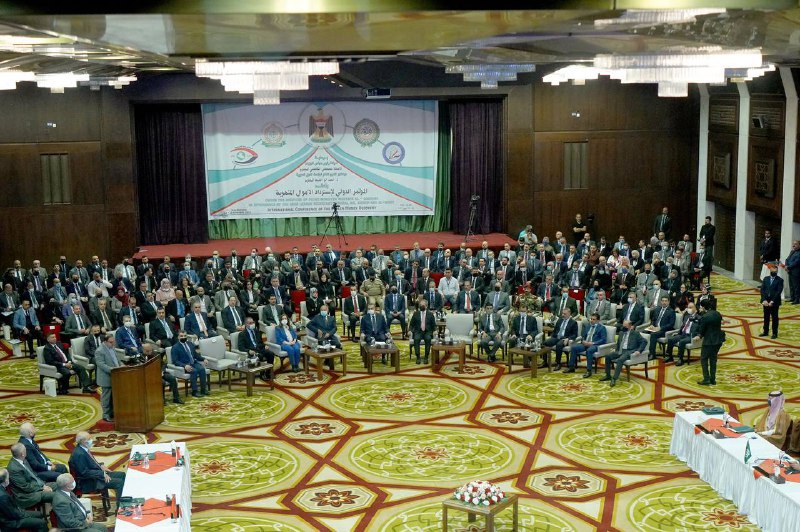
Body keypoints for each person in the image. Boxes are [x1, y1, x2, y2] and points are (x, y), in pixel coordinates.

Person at [69, 431, 126, 507]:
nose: (91, 440)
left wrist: (100, 466)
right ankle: (121, 506)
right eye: (89, 439)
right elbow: (84, 472)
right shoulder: (79, 454)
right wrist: (102, 474)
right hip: (89, 481)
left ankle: (122, 499)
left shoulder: (83, 448)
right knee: (119, 483)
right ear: (82, 441)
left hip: (96, 474)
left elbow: (90, 464)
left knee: (122, 475)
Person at [6, 443, 56, 508]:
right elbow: (25, 487)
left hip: (35, 485)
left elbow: (33, 475)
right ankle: (55, 513)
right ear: (22, 454)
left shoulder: (23, 459)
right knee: (56, 496)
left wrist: (43, 485)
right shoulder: (13, 469)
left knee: (61, 485)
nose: (26, 451)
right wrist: (42, 488)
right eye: (25, 450)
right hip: (26, 495)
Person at [599, 320, 647, 387]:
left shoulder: (635, 333)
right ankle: (608, 375)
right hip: (620, 350)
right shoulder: (621, 333)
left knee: (620, 360)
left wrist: (639, 351)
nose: (623, 327)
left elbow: (644, 341)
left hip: (628, 351)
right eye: (623, 326)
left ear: (630, 326)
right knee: (608, 356)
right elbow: (619, 343)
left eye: (625, 326)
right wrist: (616, 350)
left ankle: (614, 379)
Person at [0, 468, 48, 532]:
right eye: (8, 478)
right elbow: (13, 514)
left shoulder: (2, 489)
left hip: (13, 514)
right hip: (10, 523)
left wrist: (22, 512)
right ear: (5, 480)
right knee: (42, 523)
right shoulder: (3, 496)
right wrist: (25, 514)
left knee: (39, 514)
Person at [694, 299, 724, 386]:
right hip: (718, 340)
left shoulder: (705, 317)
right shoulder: (717, 313)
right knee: (713, 359)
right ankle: (713, 379)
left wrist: (699, 336)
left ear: (703, 307)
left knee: (704, 359)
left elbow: (702, 330)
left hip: (709, 341)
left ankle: (706, 378)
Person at [566, 312, 607, 377]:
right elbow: (583, 336)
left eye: (594, 319)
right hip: (585, 343)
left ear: (598, 320)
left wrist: (592, 343)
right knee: (574, 348)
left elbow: (603, 340)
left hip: (594, 345)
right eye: (591, 319)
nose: (592, 321)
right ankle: (571, 367)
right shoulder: (588, 326)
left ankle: (589, 371)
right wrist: (583, 341)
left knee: (589, 351)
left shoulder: (602, 328)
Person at [171, 331, 210, 397]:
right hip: (184, 365)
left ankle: (203, 389)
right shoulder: (175, 347)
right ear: (178, 337)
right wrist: (184, 366)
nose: (183, 337)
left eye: (185, 336)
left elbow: (196, 355)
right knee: (194, 371)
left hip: (193, 362)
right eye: (181, 336)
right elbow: (175, 361)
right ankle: (194, 391)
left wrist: (203, 359)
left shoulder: (190, 344)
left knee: (202, 369)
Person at [94, 334, 121, 421]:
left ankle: (112, 412)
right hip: (106, 378)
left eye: (113, 342)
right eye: (111, 342)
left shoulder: (112, 347)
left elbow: (116, 360)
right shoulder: (99, 351)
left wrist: (121, 366)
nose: (113, 344)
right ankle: (105, 415)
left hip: (115, 376)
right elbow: (101, 364)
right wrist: (113, 370)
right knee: (106, 397)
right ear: (105, 342)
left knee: (113, 396)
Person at [645, 296, 676, 360]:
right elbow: (654, 319)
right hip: (655, 328)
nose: (664, 302)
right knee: (644, 332)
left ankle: (652, 354)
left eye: (666, 301)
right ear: (661, 302)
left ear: (668, 302)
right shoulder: (657, 309)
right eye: (663, 301)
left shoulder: (671, 311)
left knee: (653, 335)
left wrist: (660, 328)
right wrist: (652, 325)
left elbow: (671, 324)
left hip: (665, 330)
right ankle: (645, 352)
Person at [760, 265, 783, 339]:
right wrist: (764, 300)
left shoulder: (780, 280)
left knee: (774, 318)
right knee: (766, 317)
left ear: (777, 272)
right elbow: (762, 290)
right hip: (766, 301)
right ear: (770, 271)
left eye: (775, 271)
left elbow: (778, 292)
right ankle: (765, 332)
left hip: (774, 302)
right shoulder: (766, 279)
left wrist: (772, 301)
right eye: (772, 271)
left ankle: (774, 333)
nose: (774, 272)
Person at [409, 300, 436, 364]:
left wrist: (435, 330)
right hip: (418, 331)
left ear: (426, 306)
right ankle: (418, 357)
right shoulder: (416, 314)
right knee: (416, 339)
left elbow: (433, 325)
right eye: (420, 305)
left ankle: (426, 357)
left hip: (427, 331)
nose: (421, 306)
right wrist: (410, 330)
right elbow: (411, 324)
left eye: (422, 305)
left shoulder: (430, 314)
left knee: (428, 339)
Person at [785, 240, 800, 305]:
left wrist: (788, 267)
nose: (793, 245)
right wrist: (786, 266)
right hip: (790, 271)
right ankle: (792, 298)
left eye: (795, 244)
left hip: (796, 271)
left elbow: (797, 262)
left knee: (796, 286)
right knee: (791, 285)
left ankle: (797, 300)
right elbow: (787, 259)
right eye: (793, 244)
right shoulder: (792, 251)